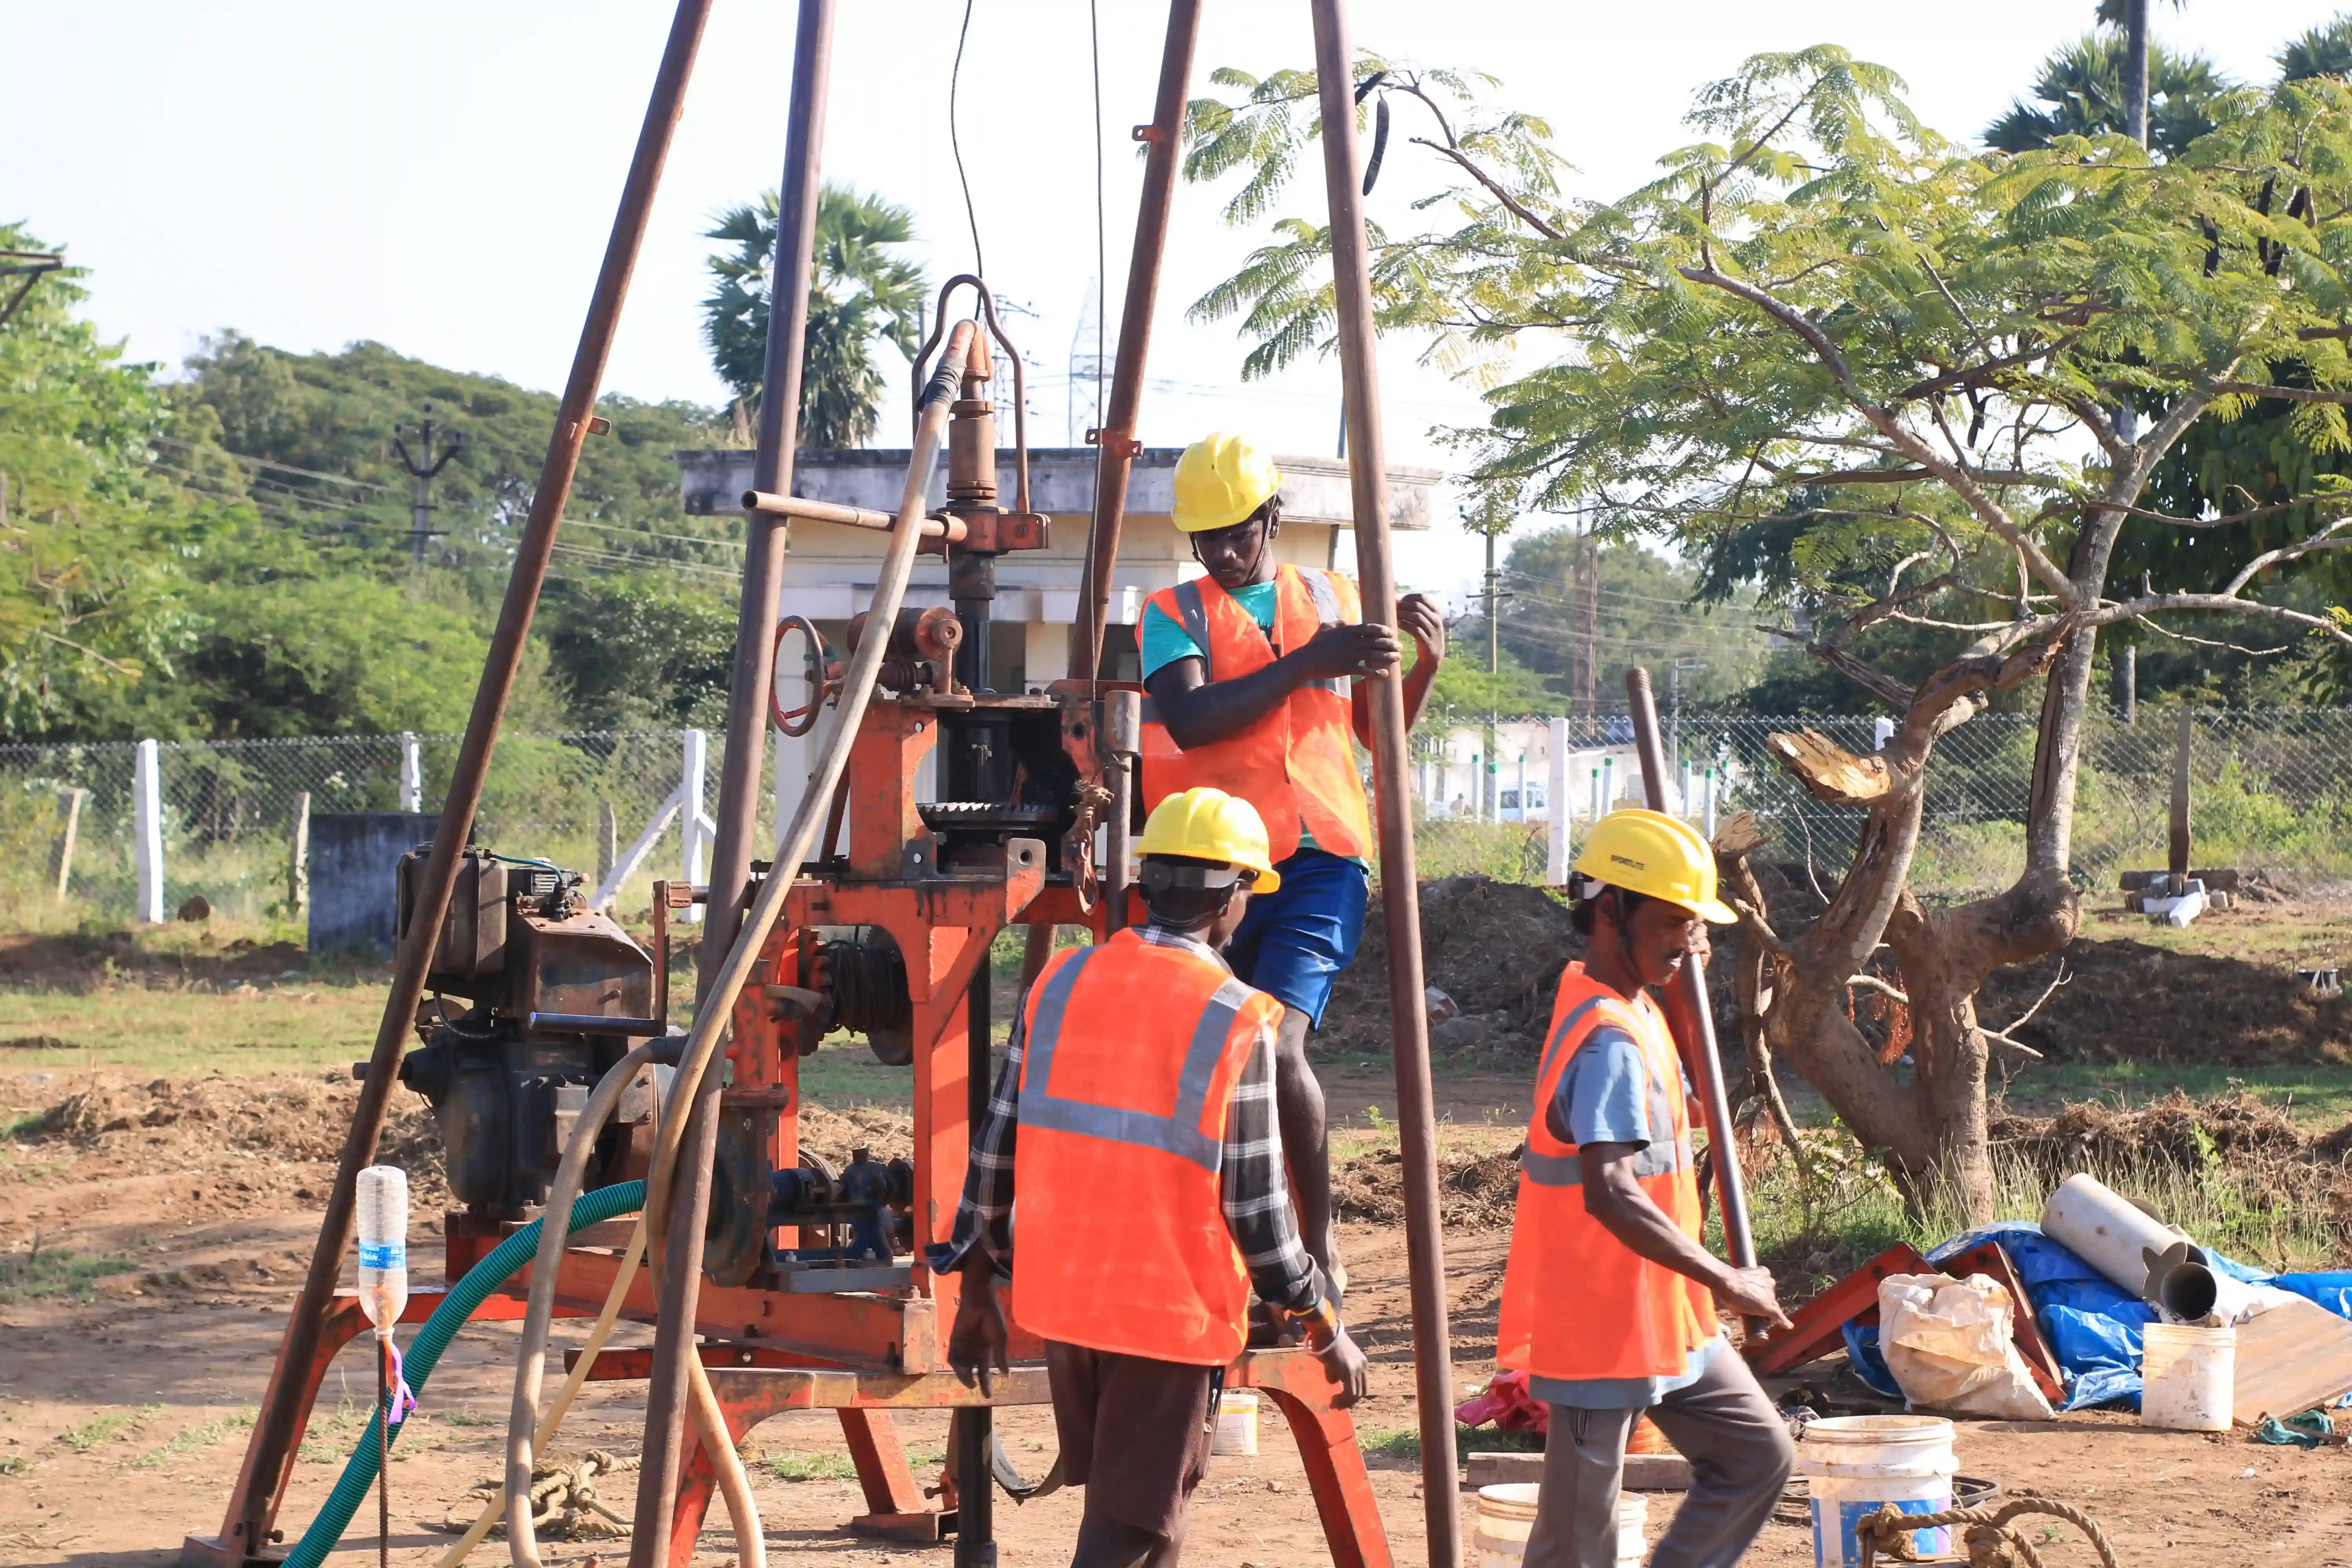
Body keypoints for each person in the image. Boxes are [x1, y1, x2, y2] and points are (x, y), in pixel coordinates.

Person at [942, 786, 1368, 1568]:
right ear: (1233, 897)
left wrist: (975, 1290)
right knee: (1126, 1531)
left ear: (1149, 883)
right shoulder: (1234, 1015)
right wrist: (1322, 1322)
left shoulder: (1062, 982)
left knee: (1152, 1518)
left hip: (1067, 1304)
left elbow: (994, 1146)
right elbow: (1260, 1215)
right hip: (1162, 1315)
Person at [1138, 431, 1445, 1294]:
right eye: (1209, 539)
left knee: (1276, 1049)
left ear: (1273, 516)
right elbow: (1195, 718)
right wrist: (1309, 660)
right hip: (1217, 864)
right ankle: (1217, 1230)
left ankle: (1318, 1241)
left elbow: (1374, 731)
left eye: (1240, 532)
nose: (1227, 553)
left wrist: (1422, 667)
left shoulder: (1331, 594)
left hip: (1323, 855)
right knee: (1208, 1052)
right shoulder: (1173, 612)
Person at [1497, 808, 1796, 1568]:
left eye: (1694, 924)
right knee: (1575, 1547)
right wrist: (1728, 1277)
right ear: (1609, 912)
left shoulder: (1637, 1005)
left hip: (1668, 1314)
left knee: (1757, 1455)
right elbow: (1610, 1191)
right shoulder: (1606, 1034)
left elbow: (1684, 1110)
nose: (1686, 942)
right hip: (1601, 1326)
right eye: (1671, 921)